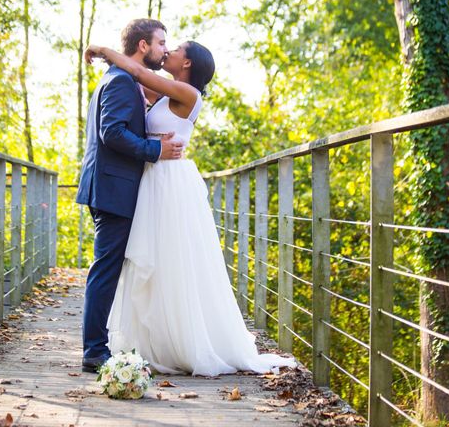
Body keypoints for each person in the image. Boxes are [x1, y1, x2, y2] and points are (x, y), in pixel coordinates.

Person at [84, 39, 296, 376]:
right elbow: (134, 87)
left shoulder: (187, 95)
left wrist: (106, 52)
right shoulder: (166, 95)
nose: (169, 51)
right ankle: (156, 338)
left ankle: (184, 340)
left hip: (171, 181)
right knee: (151, 260)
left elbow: (138, 71)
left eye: (177, 48)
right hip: (151, 180)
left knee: (173, 257)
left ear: (187, 64)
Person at [75, 19, 185, 373]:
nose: (164, 49)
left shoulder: (120, 77)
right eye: (160, 43)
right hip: (112, 188)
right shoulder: (122, 82)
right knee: (105, 269)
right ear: (142, 45)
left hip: (109, 185)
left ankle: (97, 345)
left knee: (107, 267)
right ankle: (94, 350)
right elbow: (113, 134)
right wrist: (155, 150)